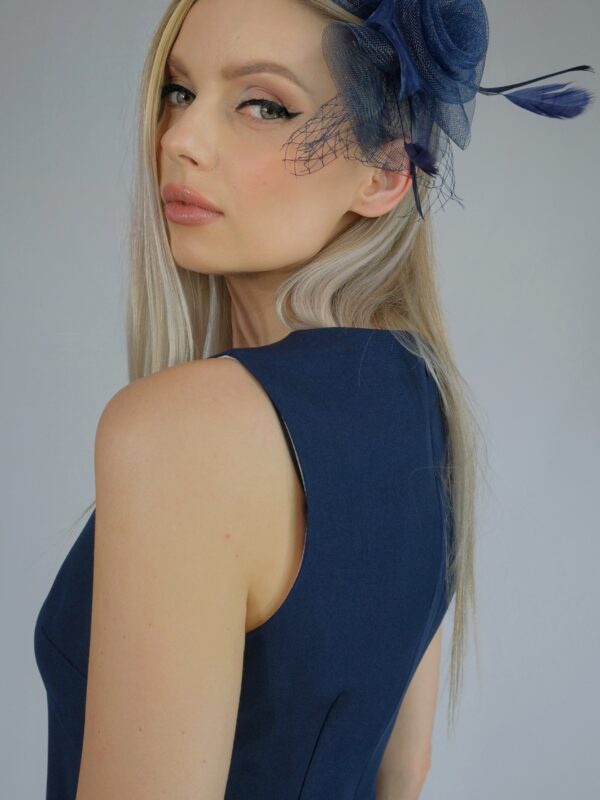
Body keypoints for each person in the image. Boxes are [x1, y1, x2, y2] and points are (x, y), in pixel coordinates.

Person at [33, 0, 593, 798]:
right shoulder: (423, 402)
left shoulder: (183, 432)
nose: (180, 139)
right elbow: (404, 774)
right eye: (179, 91)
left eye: (264, 105)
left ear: (386, 173)